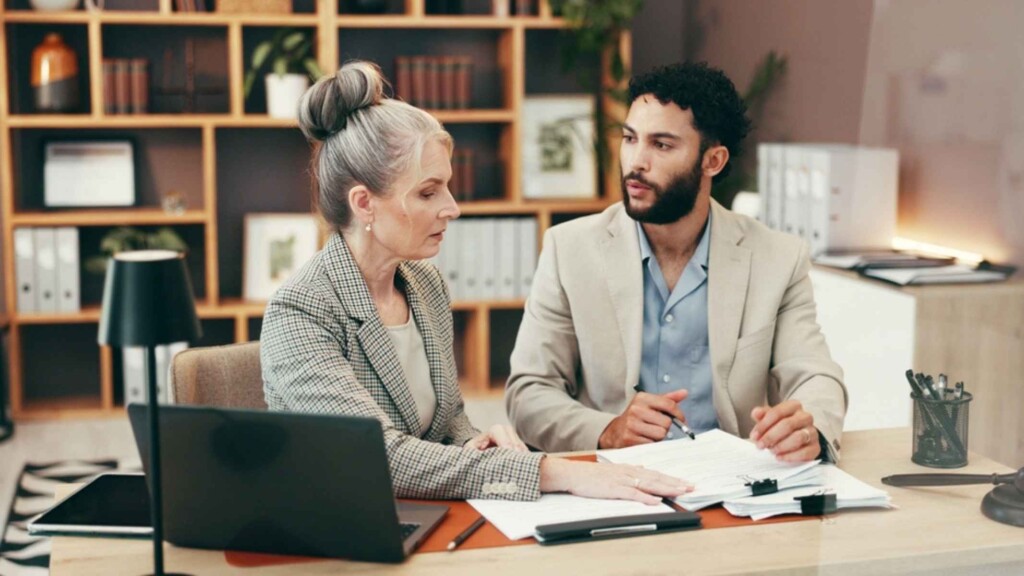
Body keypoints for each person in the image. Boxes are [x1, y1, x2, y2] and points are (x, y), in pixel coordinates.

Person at [260, 60, 691, 503]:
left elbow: (447, 424)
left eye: (447, 187)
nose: (452, 207)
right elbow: (374, 456)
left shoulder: (424, 285)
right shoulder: (300, 312)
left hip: (424, 517)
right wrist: (549, 470)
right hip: (342, 537)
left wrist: (473, 441)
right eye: (429, 192)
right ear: (364, 203)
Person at [505, 62, 848, 461]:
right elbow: (528, 392)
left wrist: (809, 427)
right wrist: (606, 430)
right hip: (614, 481)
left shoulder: (777, 258)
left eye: (662, 145)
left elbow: (815, 374)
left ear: (713, 161)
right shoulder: (569, 249)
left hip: (731, 486)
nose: (636, 162)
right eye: (630, 139)